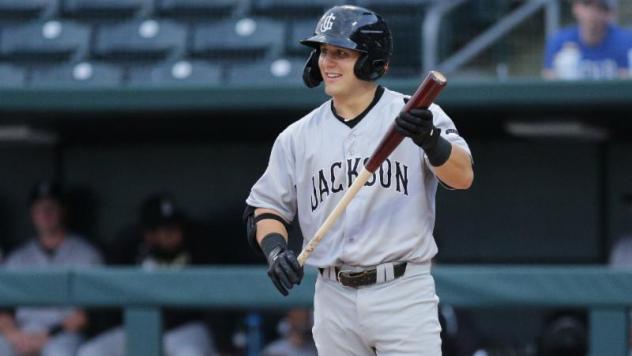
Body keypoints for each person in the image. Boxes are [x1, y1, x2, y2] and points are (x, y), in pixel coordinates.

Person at [244, 5, 474, 355]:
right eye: (323, 52)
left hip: (401, 291)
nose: (327, 62)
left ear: (372, 62)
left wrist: (430, 139)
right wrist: (275, 252)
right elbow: (265, 208)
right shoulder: (297, 137)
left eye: (341, 53)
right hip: (333, 293)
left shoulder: (415, 115)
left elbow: (463, 176)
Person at [77, 193, 217, 356]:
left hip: (184, 328)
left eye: (175, 227)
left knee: (191, 353)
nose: (174, 235)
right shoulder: (128, 245)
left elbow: (217, 296)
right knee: (90, 352)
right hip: (136, 326)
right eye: (165, 230)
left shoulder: (197, 242)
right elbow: (106, 294)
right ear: (148, 233)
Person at [0, 180, 104, 356]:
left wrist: (47, 335)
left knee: (59, 352)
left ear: (64, 210)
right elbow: (4, 310)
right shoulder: (17, 258)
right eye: (40, 209)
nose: (46, 214)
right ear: (32, 213)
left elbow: (85, 315)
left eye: (51, 208)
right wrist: (13, 335)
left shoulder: (87, 255)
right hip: (22, 330)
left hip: (63, 333)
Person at [543, 0, 632, 80]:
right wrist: (561, 72)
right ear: (575, 7)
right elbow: (548, 83)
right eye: (587, 4)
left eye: (600, 7)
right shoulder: (559, 41)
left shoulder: (627, 42)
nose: (592, 13)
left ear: (610, 13)